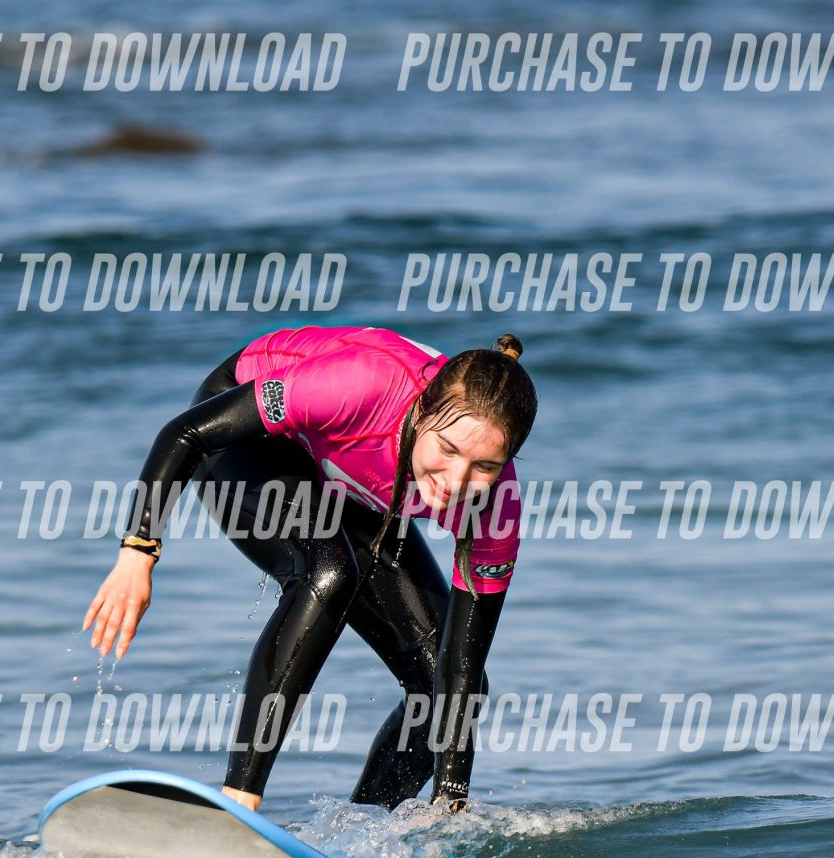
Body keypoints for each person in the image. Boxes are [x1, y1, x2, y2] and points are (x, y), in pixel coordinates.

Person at [81, 326, 536, 813]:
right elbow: (185, 433)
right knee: (329, 572)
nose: (457, 481)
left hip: (345, 473)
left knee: (440, 682)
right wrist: (138, 551)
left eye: (485, 466)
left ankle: (366, 827)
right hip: (249, 437)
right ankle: (238, 803)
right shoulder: (360, 386)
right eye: (447, 450)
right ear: (423, 410)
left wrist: (450, 799)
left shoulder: (496, 509)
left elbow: (460, 666)